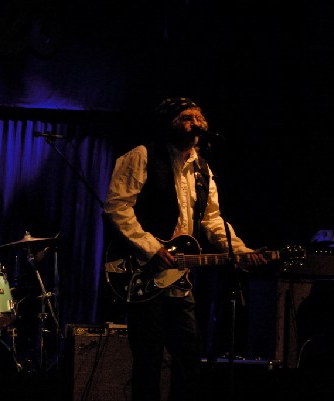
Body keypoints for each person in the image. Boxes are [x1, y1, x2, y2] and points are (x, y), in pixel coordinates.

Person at [102, 97, 266, 401]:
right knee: (148, 361)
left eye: (199, 118)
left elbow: (213, 219)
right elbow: (117, 208)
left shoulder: (202, 168)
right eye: (187, 117)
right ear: (170, 122)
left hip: (179, 281)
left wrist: (240, 251)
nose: (196, 123)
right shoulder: (142, 155)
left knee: (189, 358)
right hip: (145, 272)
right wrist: (151, 247)